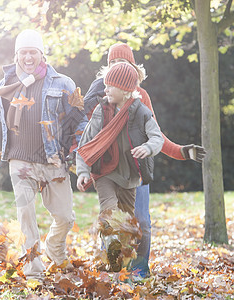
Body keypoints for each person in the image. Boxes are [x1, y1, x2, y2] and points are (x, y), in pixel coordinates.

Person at [83, 43, 206, 279]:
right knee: (110, 220)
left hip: (136, 171)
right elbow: (89, 134)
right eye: (112, 63)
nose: (117, 66)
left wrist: (183, 152)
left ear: (132, 66)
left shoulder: (141, 98)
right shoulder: (102, 96)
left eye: (123, 62)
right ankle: (111, 268)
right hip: (110, 171)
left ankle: (139, 269)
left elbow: (156, 135)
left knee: (141, 222)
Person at [0, 29, 86, 280]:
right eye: (23, 52)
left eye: (32, 52)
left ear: (41, 54)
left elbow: (81, 119)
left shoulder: (63, 83)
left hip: (53, 159)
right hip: (20, 160)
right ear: (16, 55)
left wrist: (81, 154)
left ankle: (54, 246)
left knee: (65, 218)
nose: (28, 57)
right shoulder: (6, 86)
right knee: (25, 214)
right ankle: (34, 270)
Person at [76, 62, 164, 272]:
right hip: (105, 172)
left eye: (110, 86)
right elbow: (86, 143)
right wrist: (82, 171)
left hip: (130, 176)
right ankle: (111, 249)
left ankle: (121, 265)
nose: (105, 90)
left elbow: (157, 137)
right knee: (109, 211)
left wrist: (147, 148)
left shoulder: (141, 112)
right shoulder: (102, 110)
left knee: (127, 221)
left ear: (125, 90)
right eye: (105, 85)